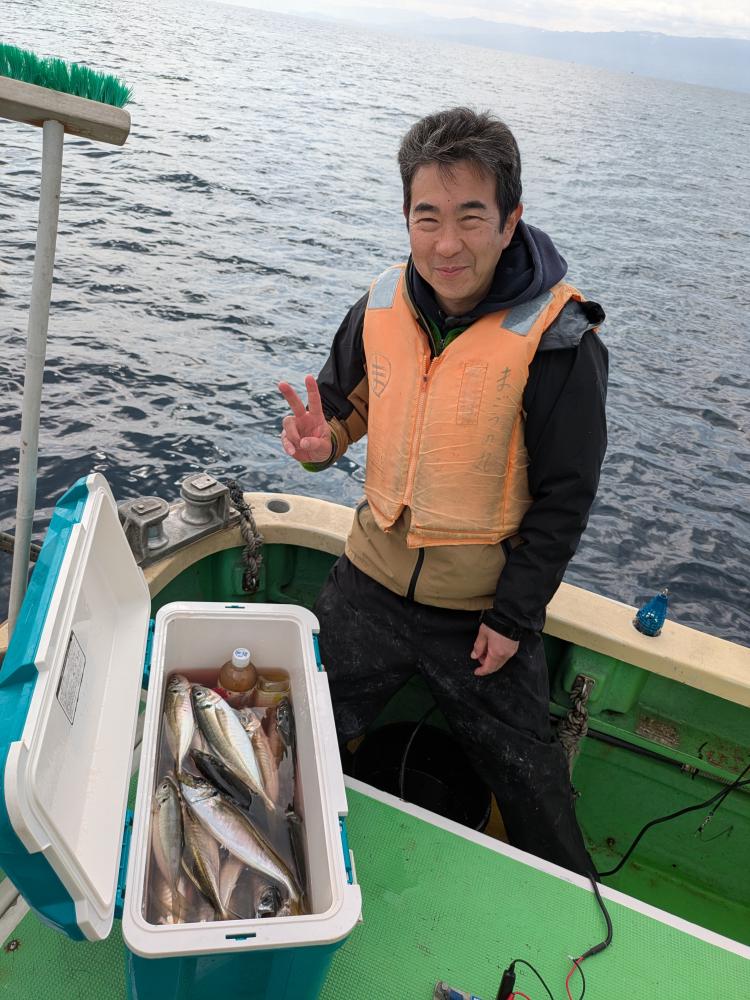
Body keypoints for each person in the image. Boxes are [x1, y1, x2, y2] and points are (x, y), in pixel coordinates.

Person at [278, 107, 607, 876]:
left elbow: (565, 497)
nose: (446, 244)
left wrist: (513, 618)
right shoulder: (380, 302)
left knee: (532, 787)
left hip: (481, 614)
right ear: (406, 217)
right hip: (370, 583)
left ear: (510, 219)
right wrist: (322, 445)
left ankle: (571, 909)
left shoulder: (561, 340)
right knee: (293, 727)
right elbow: (343, 406)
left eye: (470, 217)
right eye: (427, 217)